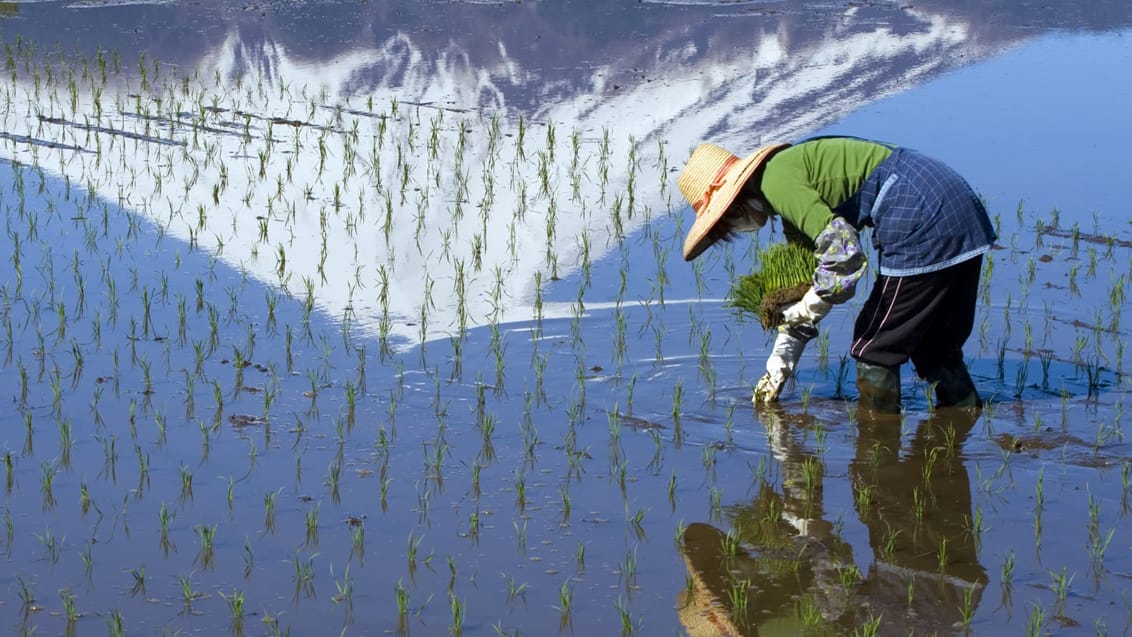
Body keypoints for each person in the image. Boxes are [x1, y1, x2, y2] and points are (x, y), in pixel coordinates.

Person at [677, 136, 996, 412]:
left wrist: (810, 306)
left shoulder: (778, 182)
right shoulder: (788, 181)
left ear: (734, 201)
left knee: (875, 348)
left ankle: (877, 446)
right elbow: (811, 285)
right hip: (957, 203)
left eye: (728, 222)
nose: (736, 228)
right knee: (933, 344)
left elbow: (845, 259)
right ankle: (962, 417)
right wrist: (780, 363)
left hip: (917, 211)